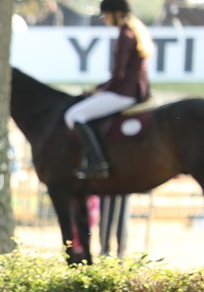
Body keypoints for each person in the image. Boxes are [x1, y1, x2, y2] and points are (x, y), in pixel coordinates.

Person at [63, 0, 151, 179]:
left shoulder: (125, 36)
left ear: (116, 13)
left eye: (106, 15)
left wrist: (98, 91)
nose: (104, 19)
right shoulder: (135, 31)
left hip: (123, 93)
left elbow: (118, 74)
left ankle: (98, 162)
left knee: (73, 116)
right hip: (134, 91)